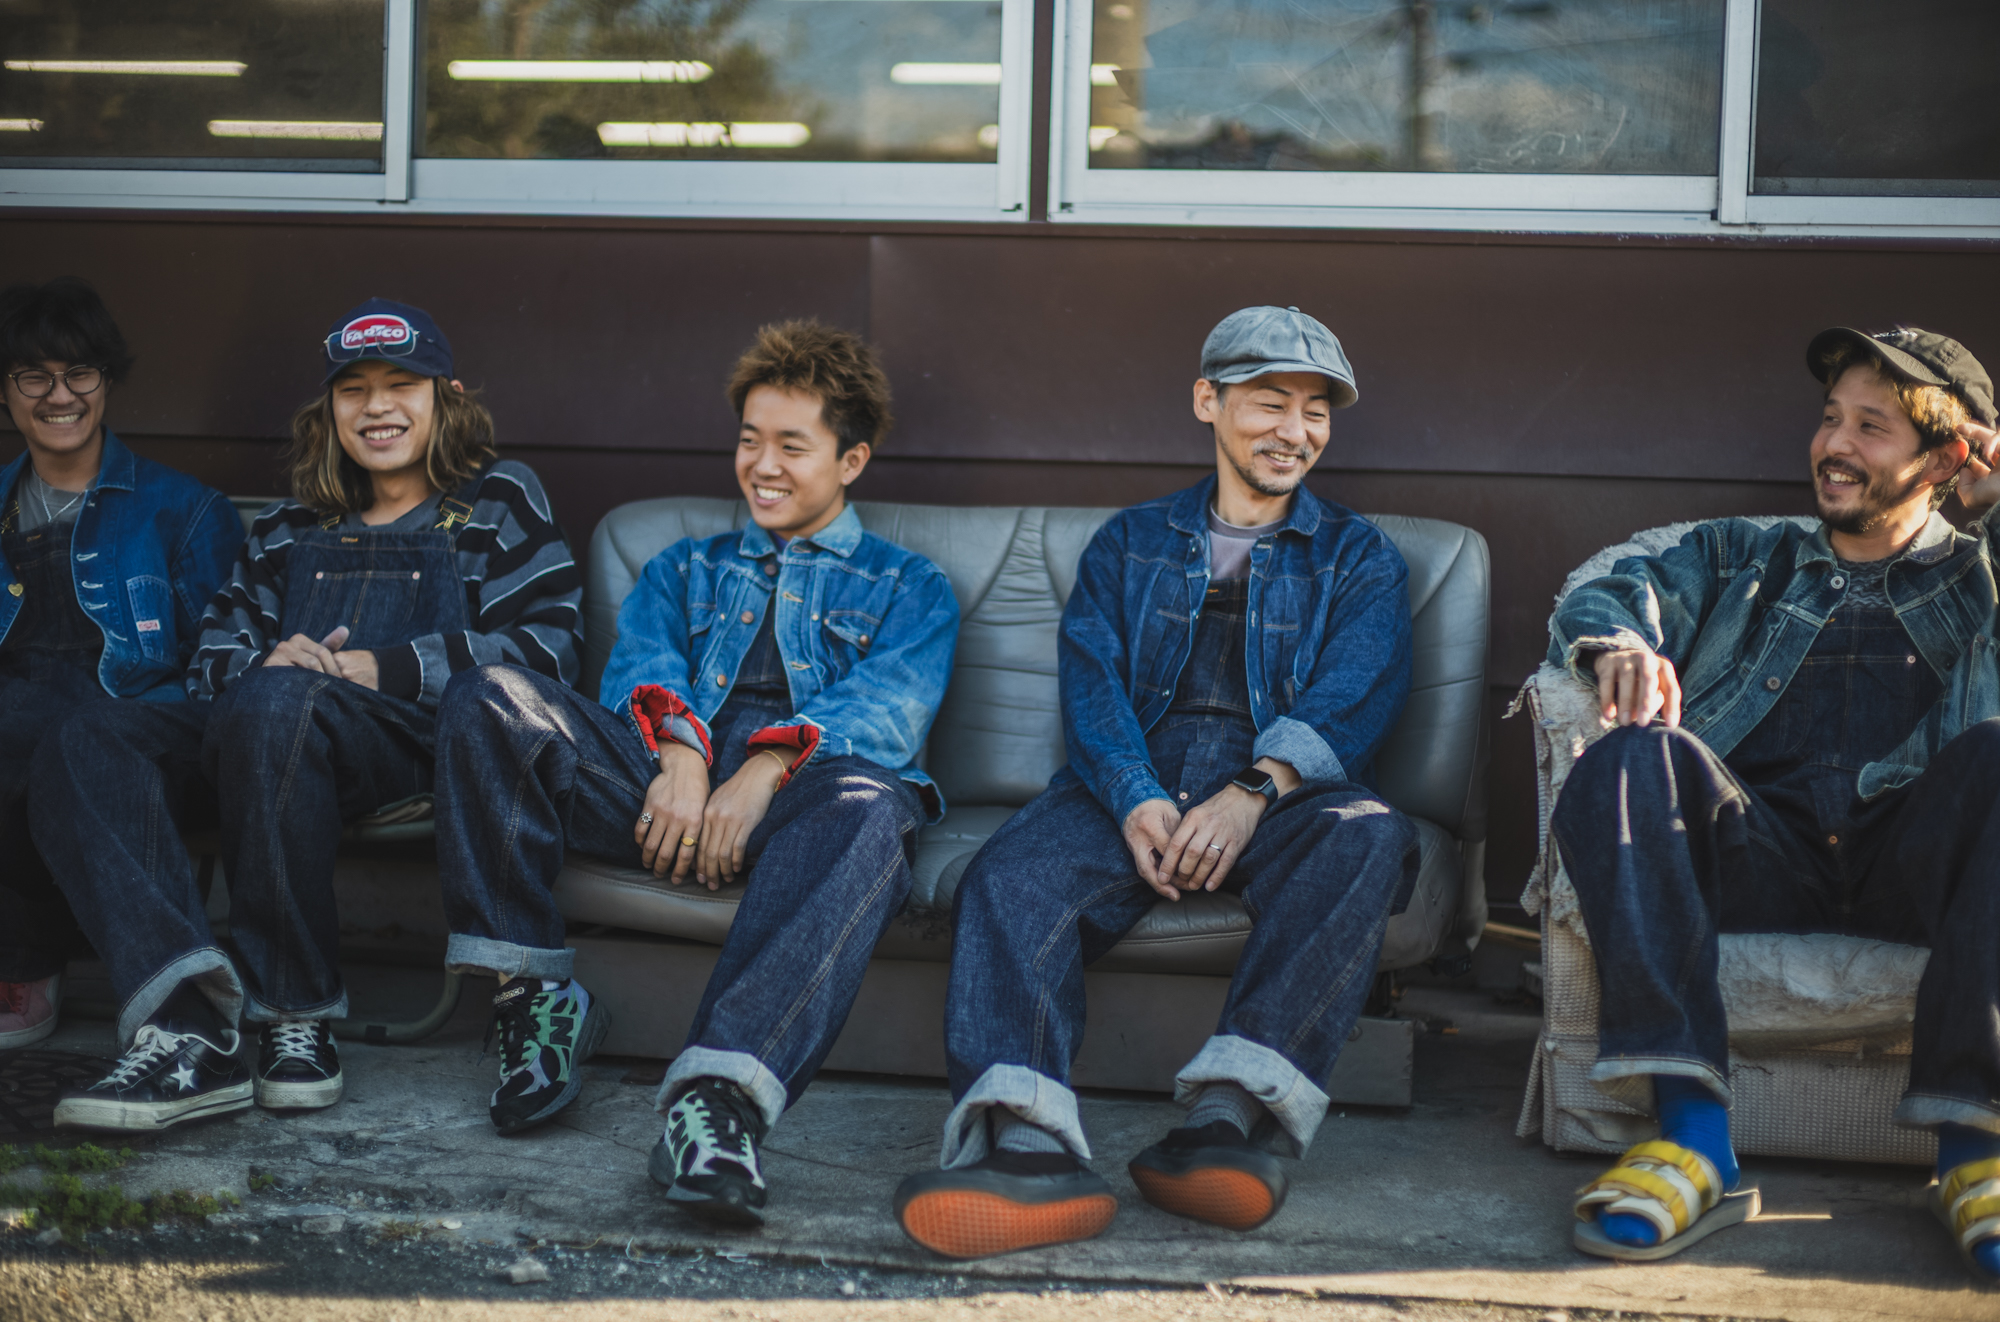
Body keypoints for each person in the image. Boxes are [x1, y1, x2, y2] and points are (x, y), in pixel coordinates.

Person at [892, 306, 1417, 1260]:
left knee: (1369, 832)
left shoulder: (1360, 558)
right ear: (1207, 401)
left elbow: (1354, 697)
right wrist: (1135, 794)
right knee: (1006, 878)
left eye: (1315, 411)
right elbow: (1091, 689)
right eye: (1270, 402)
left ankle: (1224, 1126)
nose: (1295, 431)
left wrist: (1253, 791)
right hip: (1131, 781)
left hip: (1282, 794)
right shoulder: (1128, 542)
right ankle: (1026, 1149)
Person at [432, 320, 958, 1222]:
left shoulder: (910, 585)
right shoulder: (682, 566)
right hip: (659, 794)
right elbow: (638, 669)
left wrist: (760, 774)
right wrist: (680, 758)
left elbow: (887, 713)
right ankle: (535, 999)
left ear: (852, 460)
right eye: (750, 440)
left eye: (792, 445)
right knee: (488, 696)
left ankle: (716, 1104)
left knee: (874, 804)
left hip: (807, 808)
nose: (763, 466)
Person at [36, 298, 583, 1133]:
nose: (376, 407)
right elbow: (213, 653)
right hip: (263, 732)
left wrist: (382, 667)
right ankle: (187, 1018)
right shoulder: (293, 522)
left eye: (401, 385)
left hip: (410, 743)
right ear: (329, 408)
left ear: (447, 397)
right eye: (353, 389)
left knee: (280, 704)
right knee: (87, 736)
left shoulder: (497, 500)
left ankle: (296, 1014)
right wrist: (266, 662)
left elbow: (547, 653)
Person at [1549, 326, 2000, 1281]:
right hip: (1756, 852)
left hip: (1915, 866)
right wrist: (1620, 645)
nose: (1834, 444)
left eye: (1872, 427)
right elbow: (1607, 591)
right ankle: (1691, 1138)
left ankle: (1975, 1149)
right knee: (1624, 758)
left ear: (1945, 459)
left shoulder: (1981, 577)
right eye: (1832, 417)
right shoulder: (1740, 555)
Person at [0, 277, 241, 1051]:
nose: (59, 394)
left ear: (106, 382)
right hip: (18, 722)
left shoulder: (186, 509)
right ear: (4, 391)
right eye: (33, 375)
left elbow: (221, 662)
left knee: (65, 733)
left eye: (79, 372)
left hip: (140, 724)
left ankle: (26, 960)